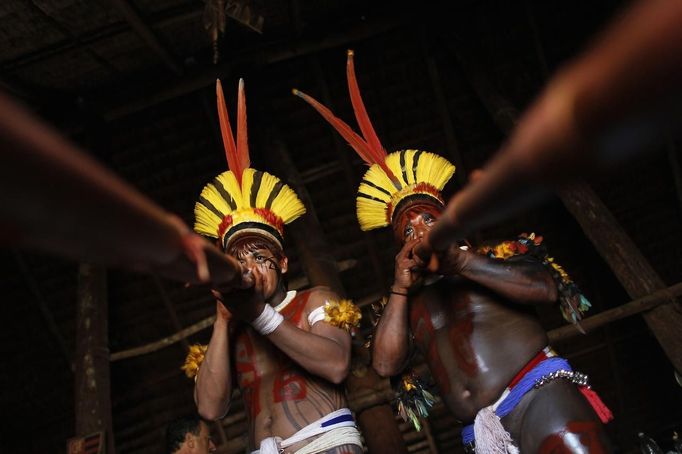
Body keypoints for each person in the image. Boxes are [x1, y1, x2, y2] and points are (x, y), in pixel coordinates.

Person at [295, 50, 614, 453]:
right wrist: (398, 288)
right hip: (481, 433)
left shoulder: (495, 255)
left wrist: (462, 261)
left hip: (537, 395)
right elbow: (385, 366)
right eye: (406, 231)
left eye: (426, 219)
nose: (418, 232)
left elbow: (546, 291)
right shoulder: (410, 302)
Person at [184, 79, 363, 454]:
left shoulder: (316, 301)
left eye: (259, 256)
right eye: (238, 258)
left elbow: (336, 365)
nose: (248, 266)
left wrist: (261, 315)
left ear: (282, 263)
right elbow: (210, 407)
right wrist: (222, 320)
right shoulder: (233, 331)